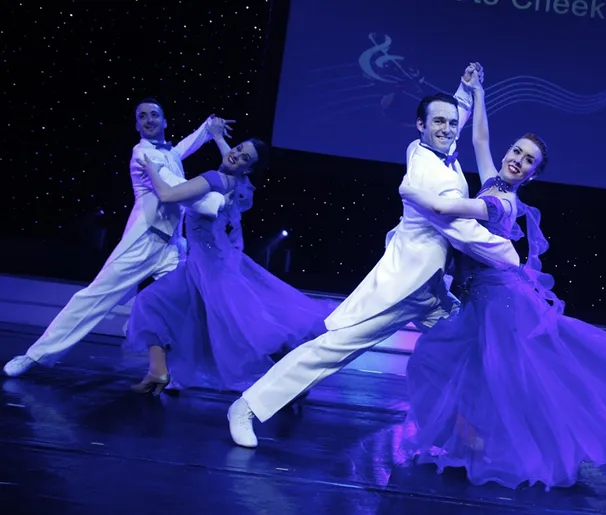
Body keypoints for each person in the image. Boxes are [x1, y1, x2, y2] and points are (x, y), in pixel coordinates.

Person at [395, 65, 606, 493]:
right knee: (450, 365)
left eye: (528, 160)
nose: (517, 160)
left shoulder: (504, 205)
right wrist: (479, 91)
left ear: (533, 174)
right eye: (517, 151)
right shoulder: (492, 181)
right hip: (478, 304)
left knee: (552, 382)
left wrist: (411, 191)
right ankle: (473, 438)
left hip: (505, 307)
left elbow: (449, 210)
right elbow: (481, 140)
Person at [226, 64, 521, 449]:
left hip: (432, 288)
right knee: (333, 350)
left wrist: (465, 90)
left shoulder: (428, 146)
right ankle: (246, 406)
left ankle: (480, 433)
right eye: (439, 123)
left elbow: (454, 114)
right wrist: (511, 258)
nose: (448, 129)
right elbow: (463, 232)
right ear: (420, 125)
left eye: (451, 123)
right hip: (406, 288)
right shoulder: (428, 176)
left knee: (476, 348)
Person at [4, 98, 229, 377]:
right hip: (143, 241)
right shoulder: (142, 154)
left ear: (165, 121)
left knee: (186, 305)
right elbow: (175, 186)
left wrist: (207, 128)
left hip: (171, 247)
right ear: (137, 124)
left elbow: (183, 147)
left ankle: (178, 371)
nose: (149, 120)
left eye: (154, 115)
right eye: (142, 116)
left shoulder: (167, 153)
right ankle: (35, 356)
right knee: (95, 297)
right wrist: (215, 201)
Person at [124, 137, 338, 394]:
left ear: (248, 168)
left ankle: (291, 381)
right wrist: (219, 138)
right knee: (168, 307)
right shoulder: (241, 186)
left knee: (240, 329)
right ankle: (158, 371)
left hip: (209, 267)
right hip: (218, 262)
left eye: (244, 157)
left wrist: (151, 170)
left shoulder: (213, 179)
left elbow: (168, 194)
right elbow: (234, 162)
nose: (235, 154)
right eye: (237, 148)